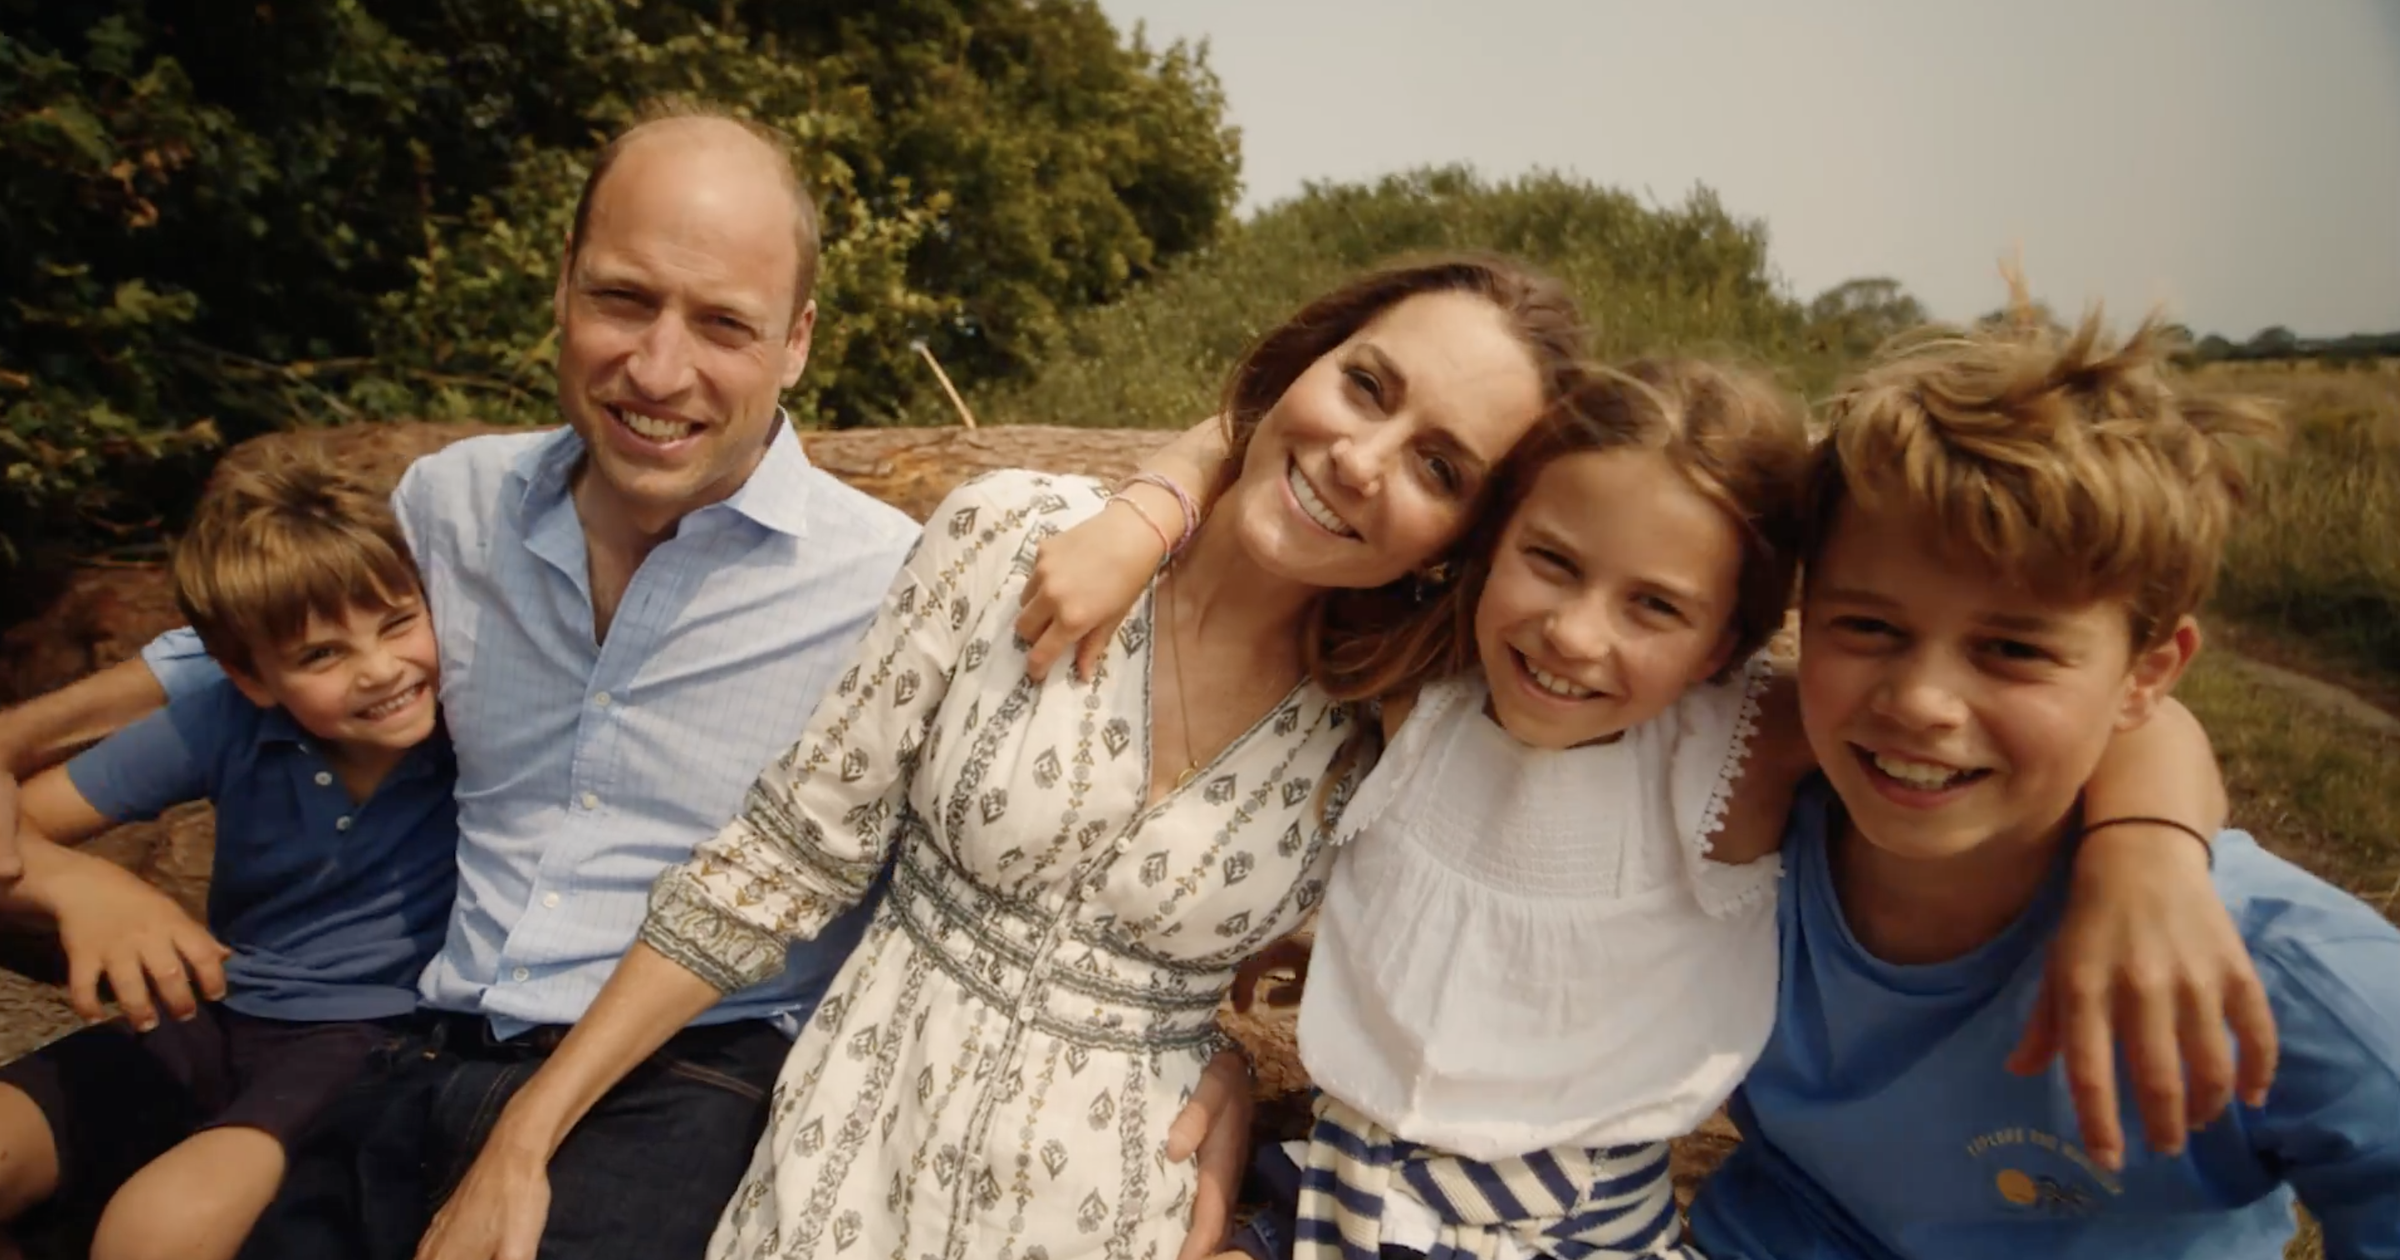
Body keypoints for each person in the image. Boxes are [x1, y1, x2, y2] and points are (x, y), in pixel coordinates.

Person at [0, 96, 1291, 1260]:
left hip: (693, 1078)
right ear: (562, 287)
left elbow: (1086, 824)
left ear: (797, 343)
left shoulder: (899, 584)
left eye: (723, 324)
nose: (659, 370)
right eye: (624, 299)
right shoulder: (447, 511)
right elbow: (220, 672)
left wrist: (1211, 1053)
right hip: (416, 1044)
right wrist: (53, 862)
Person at [411, 253, 1595, 1260]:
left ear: (1463, 540)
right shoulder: (1018, 535)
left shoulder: (1385, 733)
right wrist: (529, 1131)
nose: (1362, 459)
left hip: (1119, 1212)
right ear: (1305, 364)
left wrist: (1227, 1055)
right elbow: (781, 859)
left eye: (1441, 467)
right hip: (845, 1172)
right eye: (1365, 386)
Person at [1024, 357, 2254, 1260]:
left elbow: (2142, 722)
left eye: (1655, 607)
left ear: (1734, 632)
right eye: (1551, 562)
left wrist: (2149, 856)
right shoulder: (1422, 687)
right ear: (1491, 542)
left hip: (1565, 1229)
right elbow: (1262, 441)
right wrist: (1149, 509)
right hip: (1341, 1184)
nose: (1573, 634)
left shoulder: (1737, 745)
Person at [1685, 301, 2400, 1255]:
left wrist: (2148, 851)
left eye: (2014, 649)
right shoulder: (1744, 821)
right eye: (1868, 627)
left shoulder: (2268, 973)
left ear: (2147, 673)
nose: (1923, 700)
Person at [0, 447, 459, 1260]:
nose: (380, 669)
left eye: (397, 623)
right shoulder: (227, 720)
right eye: (323, 654)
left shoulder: (471, 724)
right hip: (215, 1008)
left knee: (153, 1231)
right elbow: (21, 821)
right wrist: (81, 883)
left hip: (370, 1038)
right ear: (251, 676)